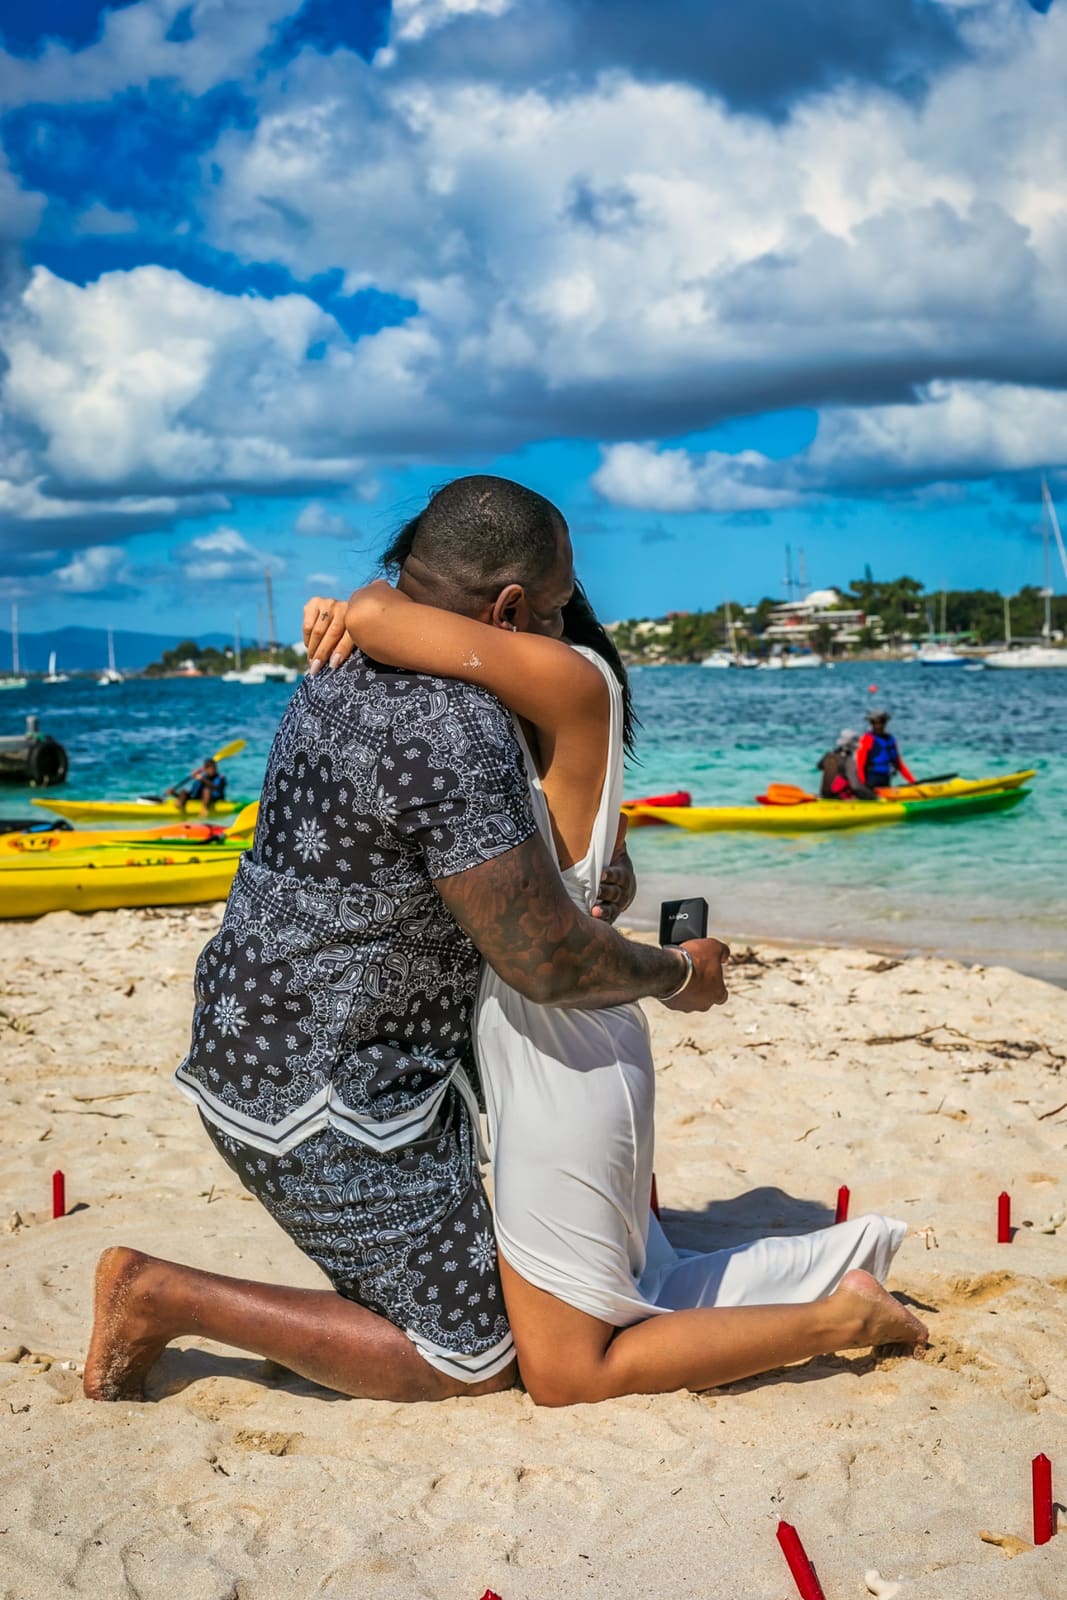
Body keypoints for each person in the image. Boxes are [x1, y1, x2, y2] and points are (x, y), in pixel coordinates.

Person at [83, 476, 734, 1407]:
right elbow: (547, 960)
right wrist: (677, 973)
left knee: (512, 1296)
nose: (567, 627)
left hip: (275, 1029)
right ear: (509, 608)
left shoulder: (351, 661)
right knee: (472, 1357)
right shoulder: (451, 722)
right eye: (555, 610)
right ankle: (161, 1295)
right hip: (322, 1087)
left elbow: (531, 863)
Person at [310, 557, 926, 1404]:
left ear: (511, 608)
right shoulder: (509, 721)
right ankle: (839, 1261)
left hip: (562, 1048)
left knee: (566, 1372)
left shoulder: (572, 680)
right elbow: (603, 860)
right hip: (558, 1037)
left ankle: (844, 1316)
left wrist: (351, 606)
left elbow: (381, 614)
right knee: (638, 1290)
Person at [854, 711, 915, 794]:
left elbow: (899, 764)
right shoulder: (867, 739)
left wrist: (913, 782)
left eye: (881, 723)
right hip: (871, 781)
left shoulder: (891, 739)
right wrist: (863, 786)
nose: (878, 726)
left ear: (885, 724)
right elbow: (860, 765)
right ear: (872, 725)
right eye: (875, 723)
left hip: (886, 779)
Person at [817, 729, 859, 800]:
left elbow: (819, 767)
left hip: (824, 795)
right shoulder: (848, 760)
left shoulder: (827, 755)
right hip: (838, 797)